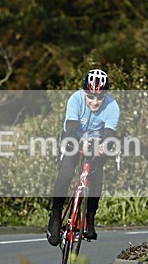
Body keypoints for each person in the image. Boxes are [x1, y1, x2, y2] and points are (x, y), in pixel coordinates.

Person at [47, 69, 120, 246]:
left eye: (99, 98)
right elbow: (71, 128)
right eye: (90, 97)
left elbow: (110, 135)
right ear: (84, 93)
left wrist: (105, 147)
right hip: (73, 138)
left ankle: (90, 220)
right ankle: (55, 216)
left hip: (97, 142)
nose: (94, 102)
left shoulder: (112, 106)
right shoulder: (76, 99)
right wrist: (78, 143)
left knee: (96, 178)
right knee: (65, 174)